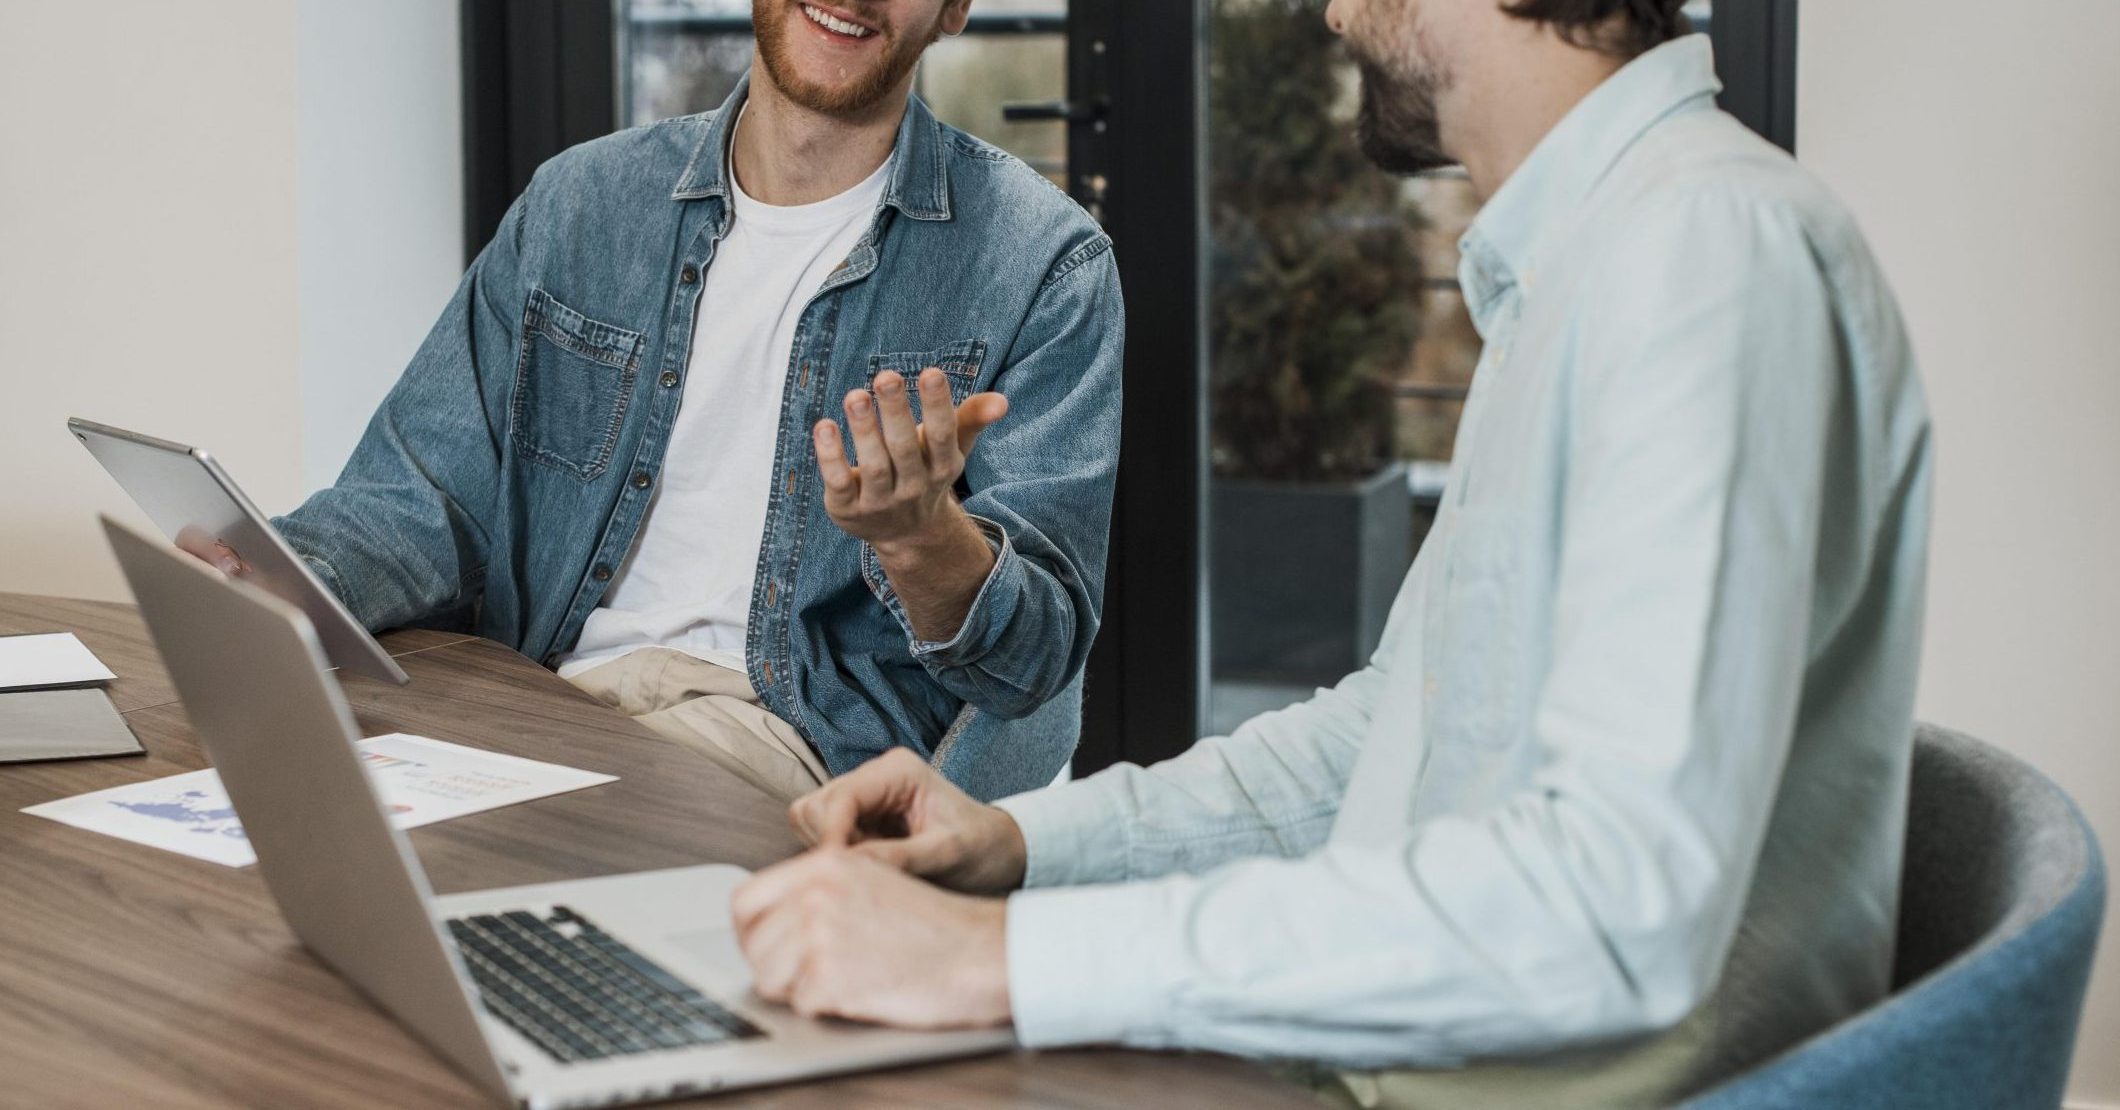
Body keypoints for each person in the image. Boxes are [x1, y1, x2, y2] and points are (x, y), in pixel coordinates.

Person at [725, 0, 1933, 1103]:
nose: (1330, 10)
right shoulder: (1588, 264)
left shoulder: (1701, 256)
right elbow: (1385, 741)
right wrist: (1022, 845)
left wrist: (1001, 963)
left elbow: (1617, 907)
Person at [264, 0, 1124, 804]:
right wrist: (271, 577)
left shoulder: (1044, 265)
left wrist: (922, 540)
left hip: (785, 738)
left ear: (956, 7)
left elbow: (1033, 665)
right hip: (535, 696)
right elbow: (419, 499)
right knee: (275, 793)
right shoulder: (578, 205)